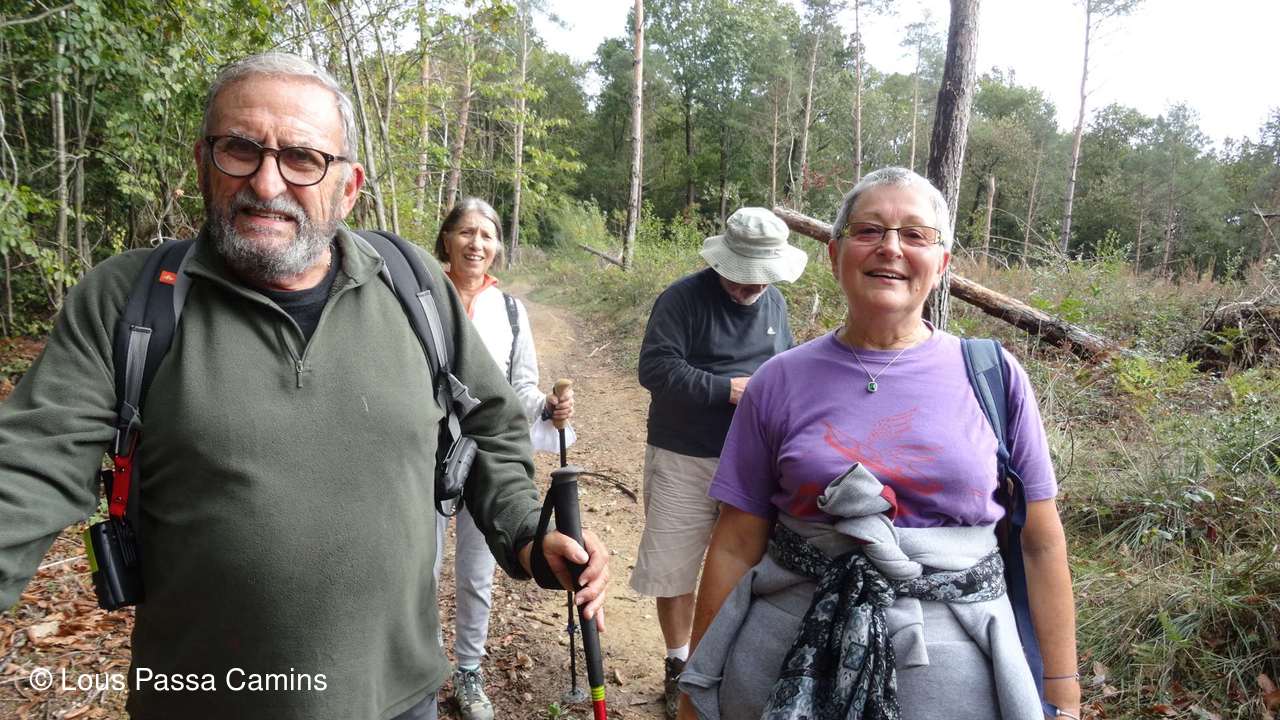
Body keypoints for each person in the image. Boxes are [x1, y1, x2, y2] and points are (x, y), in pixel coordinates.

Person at [0, 52, 608, 720]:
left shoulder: (412, 287)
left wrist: (525, 530)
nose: (267, 183)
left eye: (302, 159)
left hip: (398, 699)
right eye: (240, 149)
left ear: (348, 187)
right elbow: (28, 468)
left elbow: (489, 423)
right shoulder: (131, 302)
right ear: (203, 163)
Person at [675, 167, 1080, 720]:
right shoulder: (778, 381)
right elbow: (735, 544)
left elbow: (1040, 544)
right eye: (868, 230)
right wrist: (699, 686)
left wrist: (1062, 691)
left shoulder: (994, 376)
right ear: (834, 254)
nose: (891, 248)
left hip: (962, 678)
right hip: (781, 662)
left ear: (942, 264)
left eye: (915, 234)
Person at [630, 206, 808, 719]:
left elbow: (784, 368)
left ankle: (724, 664)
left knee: (745, 567)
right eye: (743, 275)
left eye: (762, 276)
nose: (753, 286)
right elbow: (655, 368)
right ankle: (678, 662)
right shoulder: (682, 299)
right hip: (682, 454)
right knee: (675, 567)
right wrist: (727, 390)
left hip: (750, 461)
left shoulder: (774, 303)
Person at [431, 196, 574, 720]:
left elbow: (522, 389)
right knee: (420, 567)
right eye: (466, 232)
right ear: (447, 239)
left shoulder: (510, 310)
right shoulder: (422, 294)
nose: (476, 244)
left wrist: (548, 406)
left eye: (487, 235)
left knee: (477, 571)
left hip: (486, 453)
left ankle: (469, 670)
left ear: (497, 247)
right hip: (425, 450)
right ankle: (424, 668)